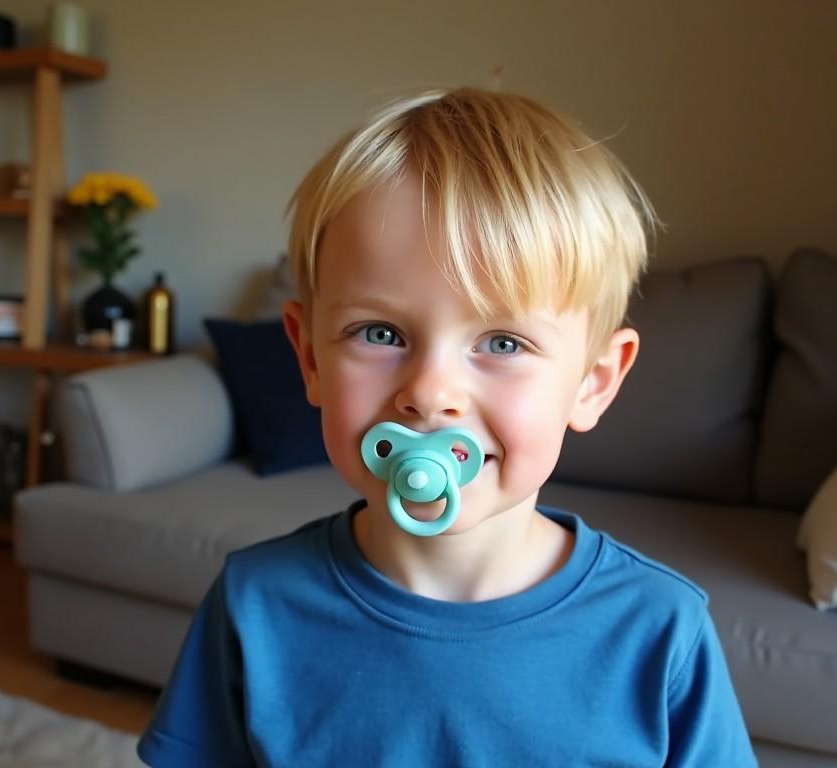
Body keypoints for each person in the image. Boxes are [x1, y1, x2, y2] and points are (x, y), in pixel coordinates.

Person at [137, 87, 757, 767]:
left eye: (503, 343)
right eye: (380, 332)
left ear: (594, 381)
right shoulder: (253, 607)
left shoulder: (661, 632)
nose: (431, 395)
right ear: (310, 357)